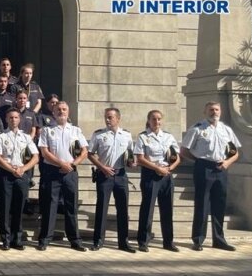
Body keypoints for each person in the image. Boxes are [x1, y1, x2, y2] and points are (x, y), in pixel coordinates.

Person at [181, 101, 241, 252]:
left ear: (220, 111)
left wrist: (227, 162)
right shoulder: (197, 128)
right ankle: (198, 240)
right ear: (205, 112)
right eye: (211, 110)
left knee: (219, 205)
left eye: (216, 109)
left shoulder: (226, 130)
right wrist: (199, 161)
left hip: (221, 168)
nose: (214, 112)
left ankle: (219, 240)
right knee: (202, 204)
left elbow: (236, 152)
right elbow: (184, 150)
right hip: (203, 168)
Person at [36, 101, 88, 252]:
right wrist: (61, 164)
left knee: (71, 206)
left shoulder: (76, 131)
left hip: (70, 173)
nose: (61, 111)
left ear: (68, 112)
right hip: (53, 172)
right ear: (53, 112)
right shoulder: (47, 130)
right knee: (49, 206)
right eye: (58, 109)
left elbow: (84, 151)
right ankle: (45, 239)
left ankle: (75, 240)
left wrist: (72, 165)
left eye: (64, 109)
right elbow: (45, 152)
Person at [87, 108, 136, 253]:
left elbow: (130, 155)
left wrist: (131, 163)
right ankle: (98, 241)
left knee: (123, 209)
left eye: (110, 117)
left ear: (118, 119)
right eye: (106, 117)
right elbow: (90, 154)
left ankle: (123, 242)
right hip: (104, 174)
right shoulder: (99, 135)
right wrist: (102, 167)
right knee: (102, 208)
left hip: (120, 175)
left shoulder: (126, 135)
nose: (108, 120)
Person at [0, 108, 39, 250]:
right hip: (6, 174)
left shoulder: (26, 138)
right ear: (6, 119)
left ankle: (17, 239)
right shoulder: (0, 137)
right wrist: (12, 169)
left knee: (19, 208)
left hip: (22, 174)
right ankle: (6, 239)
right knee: (5, 207)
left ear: (20, 119)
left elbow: (35, 157)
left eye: (16, 117)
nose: (13, 120)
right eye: (10, 117)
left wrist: (23, 169)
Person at [134, 109, 180, 252]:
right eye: (154, 119)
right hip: (150, 175)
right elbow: (140, 158)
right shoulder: (143, 137)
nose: (157, 122)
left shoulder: (168, 137)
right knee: (147, 209)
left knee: (167, 209)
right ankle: (143, 241)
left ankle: (168, 241)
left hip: (166, 175)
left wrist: (170, 168)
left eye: (159, 119)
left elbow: (177, 156)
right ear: (148, 120)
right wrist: (156, 168)